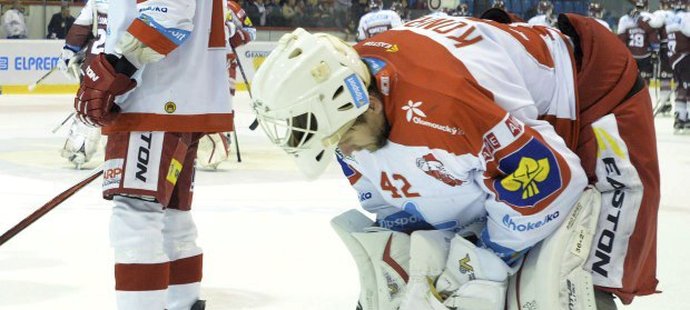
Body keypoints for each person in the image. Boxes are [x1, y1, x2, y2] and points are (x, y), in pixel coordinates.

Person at [251, 11, 660, 310]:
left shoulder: (443, 106)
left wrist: (490, 256)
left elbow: (551, 183)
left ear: (369, 105)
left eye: (345, 139)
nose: (348, 153)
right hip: (490, 99)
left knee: (584, 275)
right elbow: (394, 194)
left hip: (589, 86)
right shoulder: (346, 88)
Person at [72, 0, 234, 309]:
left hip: (153, 100)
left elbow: (168, 12)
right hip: (179, 100)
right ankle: (182, 303)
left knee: (136, 218)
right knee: (173, 219)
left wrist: (115, 71)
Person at [197, 0, 256, 170]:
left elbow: (251, 30)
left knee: (224, 103)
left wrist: (236, 36)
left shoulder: (231, 7)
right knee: (197, 102)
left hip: (225, 63)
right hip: (199, 63)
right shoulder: (196, 4)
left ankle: (224, 137)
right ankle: (198, 139)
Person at [57, 0, 109, 169]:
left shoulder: (97, 2)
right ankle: (121, 153)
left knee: (90, 108)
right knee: (123, 112)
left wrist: (68, 53)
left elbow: (79, 30)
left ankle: (79, 150)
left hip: (95, 65)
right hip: (125, 66)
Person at [617, 0, 663, 88]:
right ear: (646, 7)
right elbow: (653, 36)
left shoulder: (625, 19)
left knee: (629, 81)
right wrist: (655, 51)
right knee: (645, 82)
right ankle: (643, 98)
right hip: (645, 54)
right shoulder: (650, 17)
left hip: (631, 55)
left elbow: (621, 39)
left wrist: (622, 54)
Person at [665, 0, 690, 130]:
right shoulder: (686, 17)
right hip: (685, 57)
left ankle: (680, 117)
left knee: (681, 88)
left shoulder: (671, 18)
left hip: (674, 59)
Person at [652, 0, 678, 116]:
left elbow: (652, 28)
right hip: (678, 48)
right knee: (678, 78)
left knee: (665, 76)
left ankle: (666, 102)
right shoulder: (678, 15)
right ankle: (681, 106)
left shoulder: (659, 14)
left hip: (664, 48)